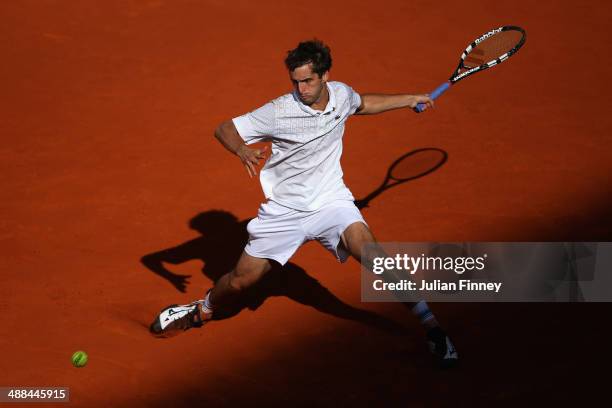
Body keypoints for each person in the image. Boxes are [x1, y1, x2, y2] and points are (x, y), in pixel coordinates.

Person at [150, 39, 458, 367]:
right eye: (295, 81)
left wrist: (409, 99)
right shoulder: (280, 110)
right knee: (240, 282)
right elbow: (224, 128)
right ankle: (202, 309)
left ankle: (433, 327)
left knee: (372, 255)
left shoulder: (341, 94)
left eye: (307, 80)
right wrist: (242, 150)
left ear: (325, 75)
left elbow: (363, 104)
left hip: (330, 202)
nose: (301, 88)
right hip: (284, 211)